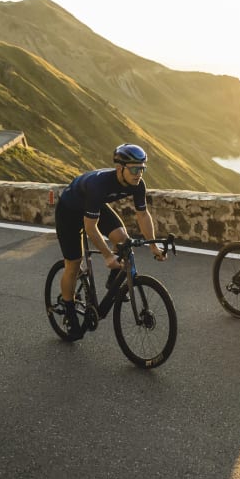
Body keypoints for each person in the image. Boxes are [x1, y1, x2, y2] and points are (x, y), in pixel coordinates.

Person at [54, 143, 165, 338]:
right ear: (119, 168)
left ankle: (114, 277)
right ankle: (69, 309)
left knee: (124, 241)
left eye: (142, 168)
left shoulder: (137, 184)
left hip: (93, 206)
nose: (139, 173)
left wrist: (153, 246)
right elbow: (90, 228)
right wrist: (107, 256)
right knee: (73, 264)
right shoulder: (99, 185)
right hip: (69, 211)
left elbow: (143, 215)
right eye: (134, 168)